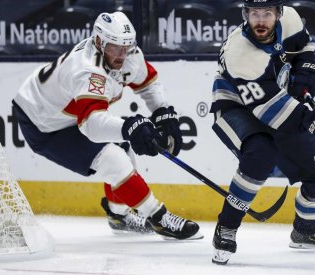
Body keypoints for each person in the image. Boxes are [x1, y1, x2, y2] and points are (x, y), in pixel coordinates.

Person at [12, 11, 202, 240]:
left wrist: (162, 111)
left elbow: (148, 83)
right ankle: (159, 218)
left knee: (125, 145)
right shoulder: (87, 70)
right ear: (99, 42)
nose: (123, 54)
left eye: (127, 46)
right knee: (114, 159)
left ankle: (118, 215)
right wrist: (130, 127)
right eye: (116, 47)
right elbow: (91, 124)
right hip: (41, 123)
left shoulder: (128, 53)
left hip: (67, 115)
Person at [210, 0, 315, 264]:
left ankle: (306, 232)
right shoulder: (240, 53)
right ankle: (227, 226)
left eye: (267, 13)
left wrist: (305, 72)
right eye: (254, 14)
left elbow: (304, 48)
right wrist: (313, 121)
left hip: (276, 99)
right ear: (245, 15)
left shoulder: (291, 19)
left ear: (279, 13)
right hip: (235, 107)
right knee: (260, 154)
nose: (260, 20)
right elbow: (268, 112)